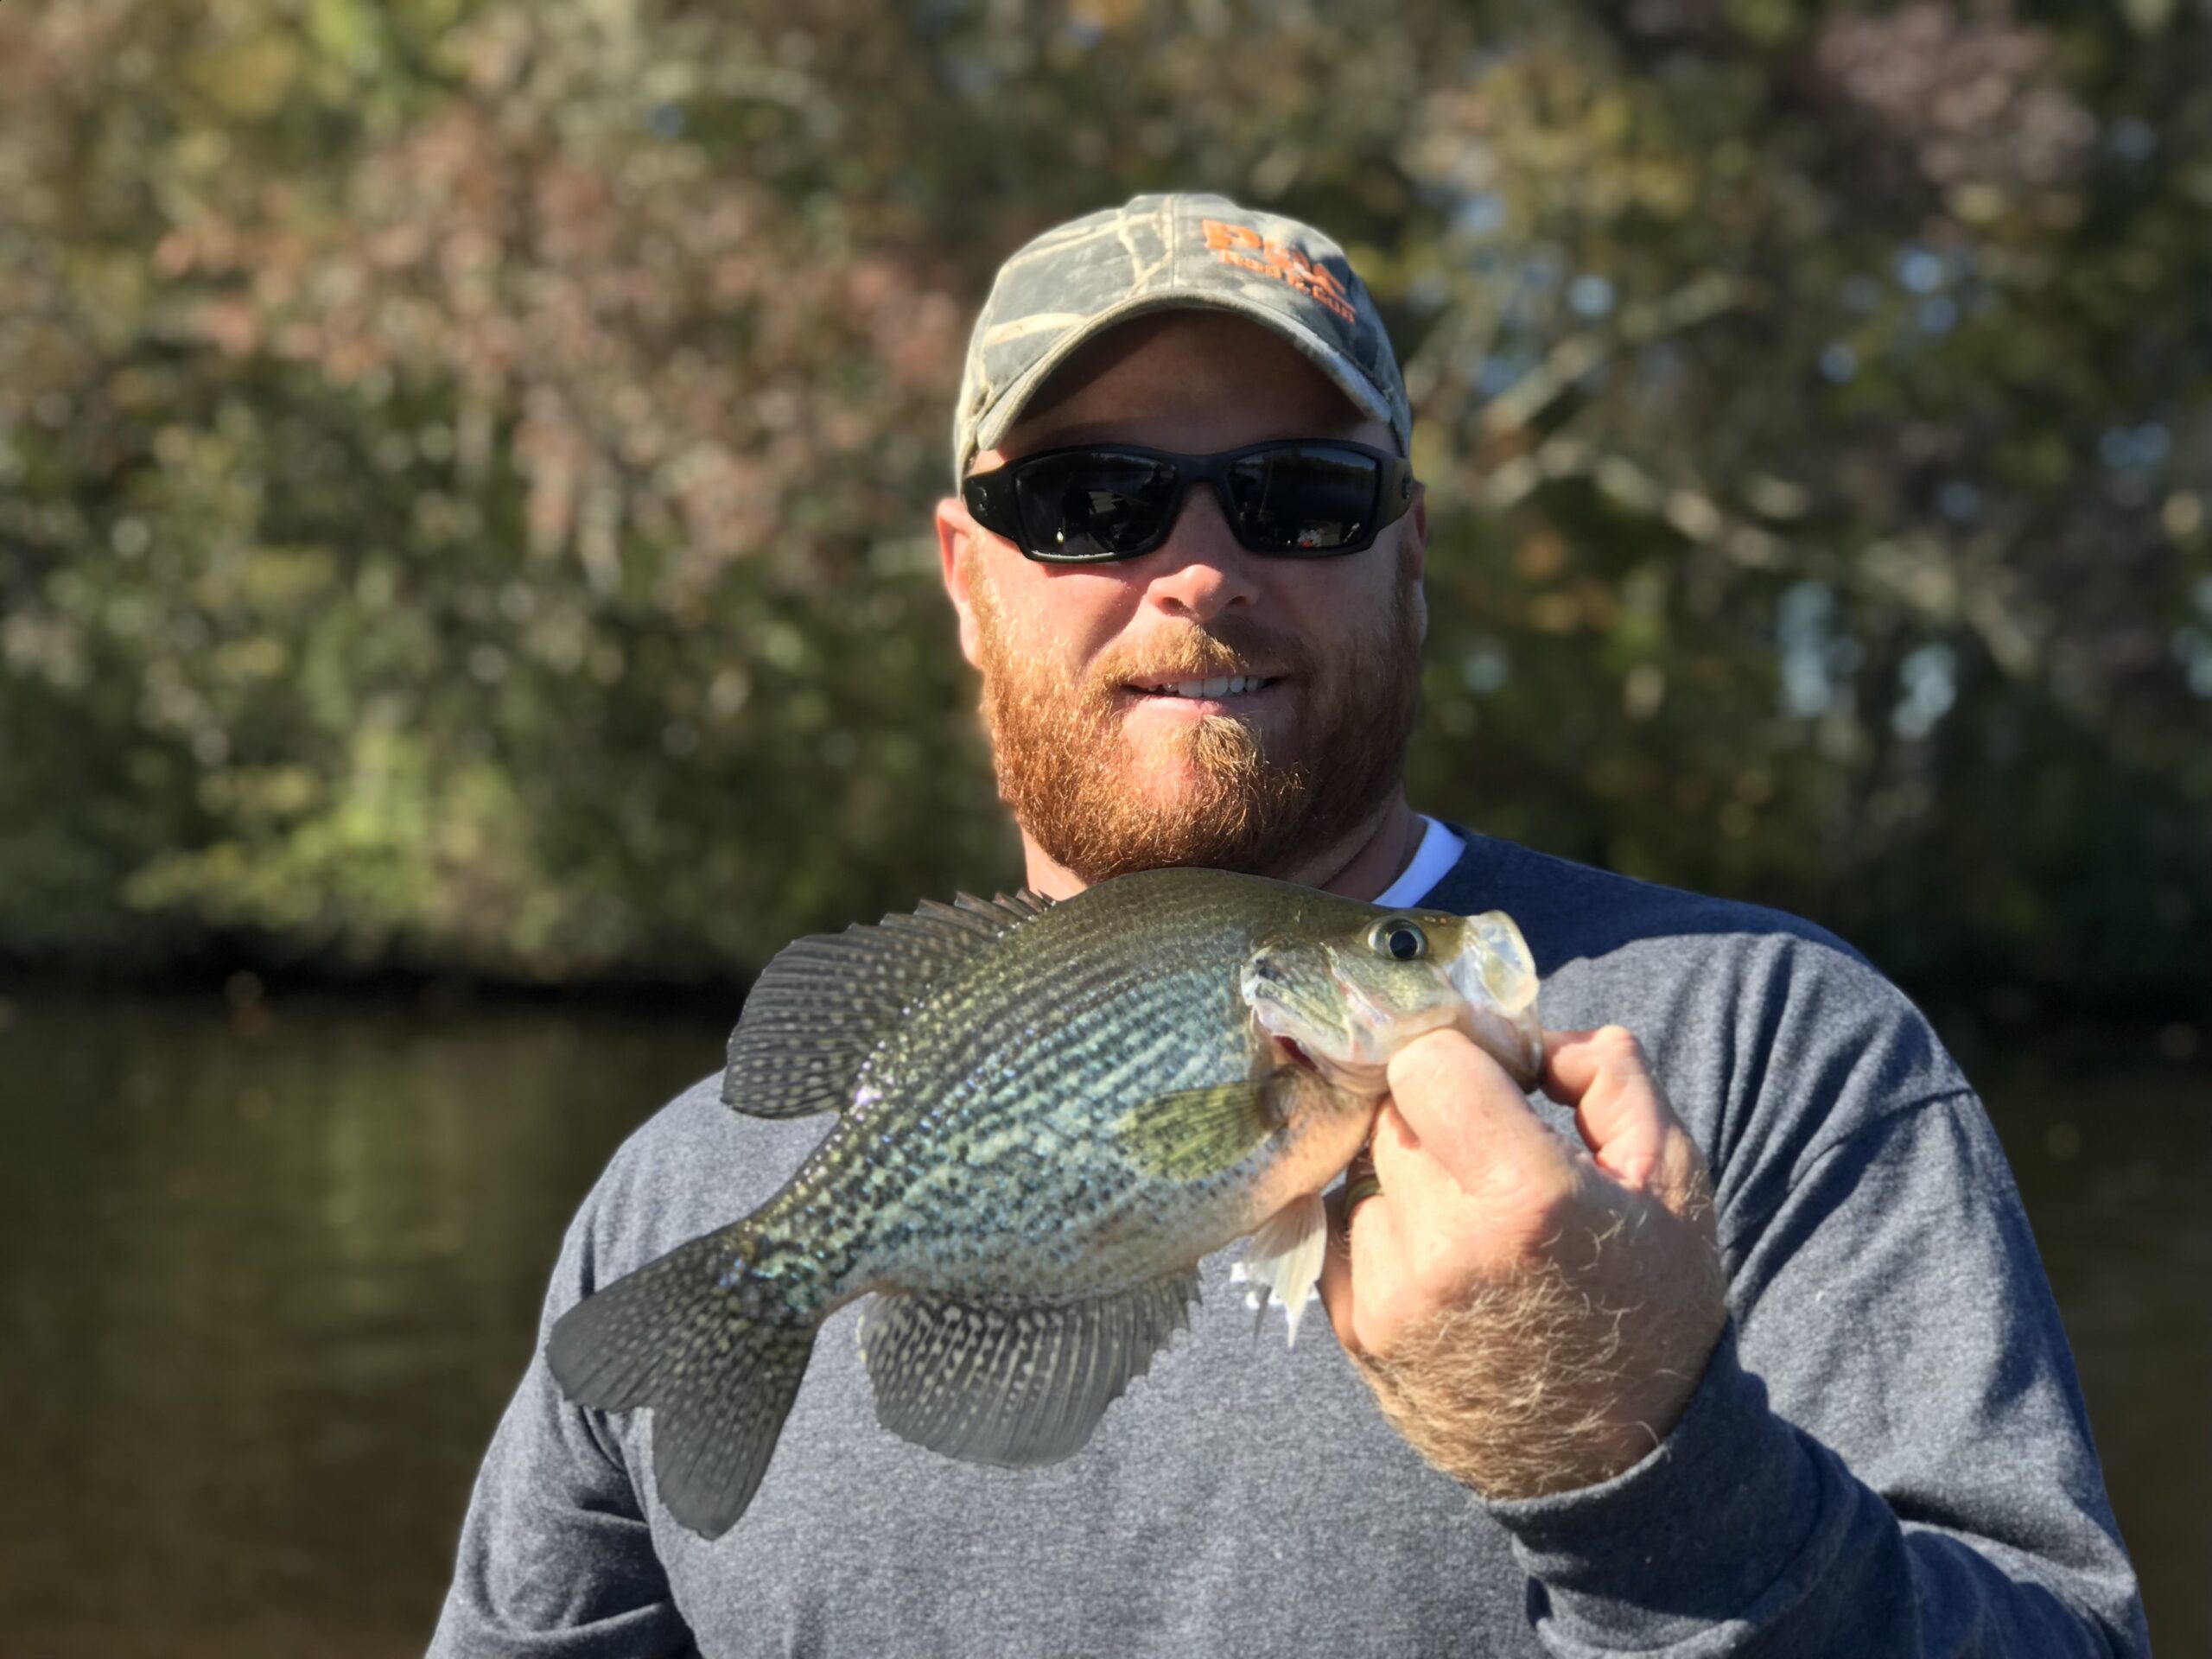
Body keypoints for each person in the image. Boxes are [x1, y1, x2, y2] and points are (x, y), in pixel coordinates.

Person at [428, 194, 2148, 1657]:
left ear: (1410, 557)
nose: (1195, 569)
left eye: (1299, 497)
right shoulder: (693, 1192)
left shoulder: (1768, 1053)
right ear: (966, 578)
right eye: (1090, 501)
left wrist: (1644, 1460)